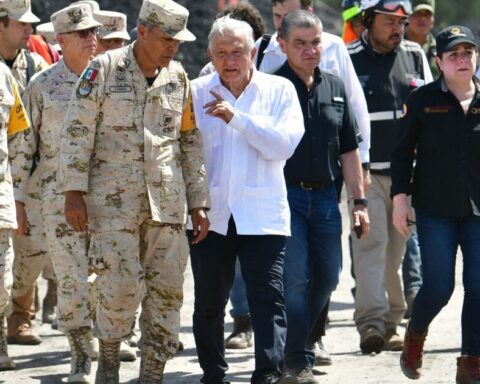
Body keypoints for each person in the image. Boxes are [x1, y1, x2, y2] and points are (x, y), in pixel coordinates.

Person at [58, 0, 210, 382]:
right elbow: (77, 131)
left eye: (179, 39)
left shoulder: (178, 78)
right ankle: (108, 360)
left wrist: (199, 203)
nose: (174, 46)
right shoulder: (103, 70)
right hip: (113, 205)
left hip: (168, 205)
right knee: (118, 286)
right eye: (167, 37)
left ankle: (152, 374)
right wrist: (73, 192)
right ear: (143, 31)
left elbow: (189, 142)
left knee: (167, 294)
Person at [255, 0, 371, 365]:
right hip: (285, 198)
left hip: (325, 198)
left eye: (316, 42)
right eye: (301, 43)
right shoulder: (270, 86)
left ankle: (299, 342)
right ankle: (296, 359)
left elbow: (349, 150)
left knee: (329, 276)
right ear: (283, 44)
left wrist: (359, 203)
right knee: (296, 281)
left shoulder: (335, 87)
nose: (310, 50)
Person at [190, 16, 304, 384]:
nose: (230, 60)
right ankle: (212, 373)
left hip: (262, 214)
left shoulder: (280, 90)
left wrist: (237, 118)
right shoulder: (195, 91)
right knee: (209, 302)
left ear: (253, 51)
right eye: (221, 53)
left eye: (237, 51)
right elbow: (184, 154)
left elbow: (283, 146)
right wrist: (192, 206)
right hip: (211, 215)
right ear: (210, 55)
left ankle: (268, 374)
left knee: (267, 300)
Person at [16, 4, 102, 382]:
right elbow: (24, 146)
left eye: (93, 32)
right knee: (71, 280)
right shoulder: (41, 85)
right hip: (56, 200)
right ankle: (80, 357)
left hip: (109, 196)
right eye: (82, 34)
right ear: (60, 40)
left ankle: (112, 339)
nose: (92, 39)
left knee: (113, 277)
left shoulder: (111, 78)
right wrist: (17, 198)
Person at [391, 25, 480, 384]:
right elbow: (400, 156)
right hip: (435, 209)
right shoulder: (421, 100)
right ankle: (416, 332)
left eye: (468, 52)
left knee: (478, 286)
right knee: (439, 286)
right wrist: (400, 199)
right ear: (439, 61)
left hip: (477, 211)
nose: (462, 60)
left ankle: (471, 362)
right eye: (454, 54)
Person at [347, 0, 432, 354]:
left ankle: (392, 324)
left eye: (401, 22)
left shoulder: (415, 55)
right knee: (370, 246)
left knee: (395, 254)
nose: (398, 29)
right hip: (364, 176)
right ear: (367, 21)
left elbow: (430, 110)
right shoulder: (348, 57)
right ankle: (370, 325)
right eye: (389, 22)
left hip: (405, 179)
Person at [0, 0, 51, 347]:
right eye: (21, 24)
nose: (29, 31)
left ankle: (21, 316)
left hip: (29, 173)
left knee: (29, 251)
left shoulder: (36, 64)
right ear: (1, 24)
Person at [0, 62, 31, 371]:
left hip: (0, 203)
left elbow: (19, 136)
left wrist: (16, 191)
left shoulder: (4, 75)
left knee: (1, 284)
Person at [405, 0, 438, 78]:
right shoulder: (395, 49)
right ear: (407, 17)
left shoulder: (441, 51)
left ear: (433, 20)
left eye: (427, 14)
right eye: (417, 14)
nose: (422, 18)